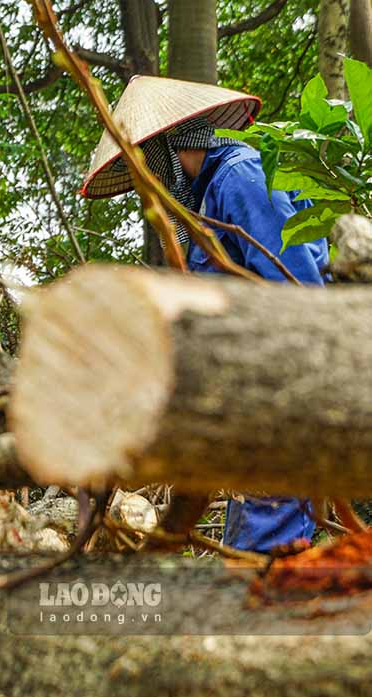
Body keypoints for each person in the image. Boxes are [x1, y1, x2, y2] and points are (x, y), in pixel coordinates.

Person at [81, 75, 329, 553]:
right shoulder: (209, 197)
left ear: (165, 150)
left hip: (288, 383)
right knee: (248, 524)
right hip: (253, 395)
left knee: (265, 537)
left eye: (146, 164)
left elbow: (297, 288)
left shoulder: (240, 177)